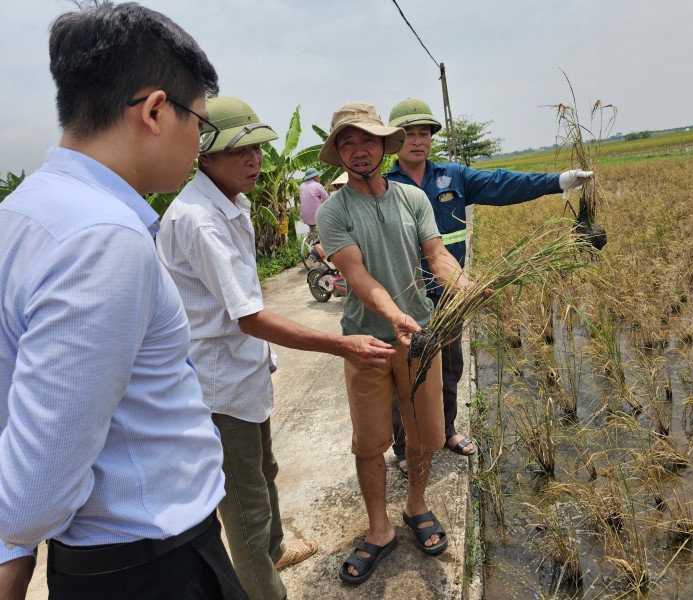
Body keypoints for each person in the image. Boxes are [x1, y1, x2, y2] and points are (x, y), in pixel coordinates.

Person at [0, 3, 247, 599]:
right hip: (151, 566)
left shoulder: (26, 212)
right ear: (157, 110)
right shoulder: (103, 240)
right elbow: (36, 493)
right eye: (200, 123)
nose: (198, 141)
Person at [156, 96, 395, 600]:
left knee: (263, 472)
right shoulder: (199, 220)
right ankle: (265, 588)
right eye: (238, 152)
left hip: (242, 373)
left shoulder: (232, 204)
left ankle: (274, 550)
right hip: (217, 385)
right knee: (244, 504)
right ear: (204, 156)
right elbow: (249, 316)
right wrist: (341, 344)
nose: (255, 160)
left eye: (259, 149)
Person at [316, 102, 484, 585]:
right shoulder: (333, 211)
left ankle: (416, 505)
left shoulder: (412, 200)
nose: (357, 149)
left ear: (382, 144)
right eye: (346, 142)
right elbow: (356, 274)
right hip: (367, 341)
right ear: (339, 153)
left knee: (423, 431)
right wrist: (394, 316)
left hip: (421, 337)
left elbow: (437, 256)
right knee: (369, 442)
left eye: (366, 139)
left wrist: (465, 287)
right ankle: (379, 527)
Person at [385, 98, 593, 476]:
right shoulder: (385, 187)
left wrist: (558, 182)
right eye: (408, 134)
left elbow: (503, 183)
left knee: (449, 365)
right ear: (393, 140)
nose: (417, 141)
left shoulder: (452, 176)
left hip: (452, 293)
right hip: (407, 297)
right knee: (408, 371)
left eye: (424, 133)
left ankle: (445, 430)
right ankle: (405, 444)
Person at [299, 166, 329, 231]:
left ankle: (312, 237)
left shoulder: (302, 186)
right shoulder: (317, 185)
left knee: (313, 230)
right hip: (316, 216)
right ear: (315, 177)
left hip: (305, 216)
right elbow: (327, 200)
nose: (319, 177)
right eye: (318, 176)